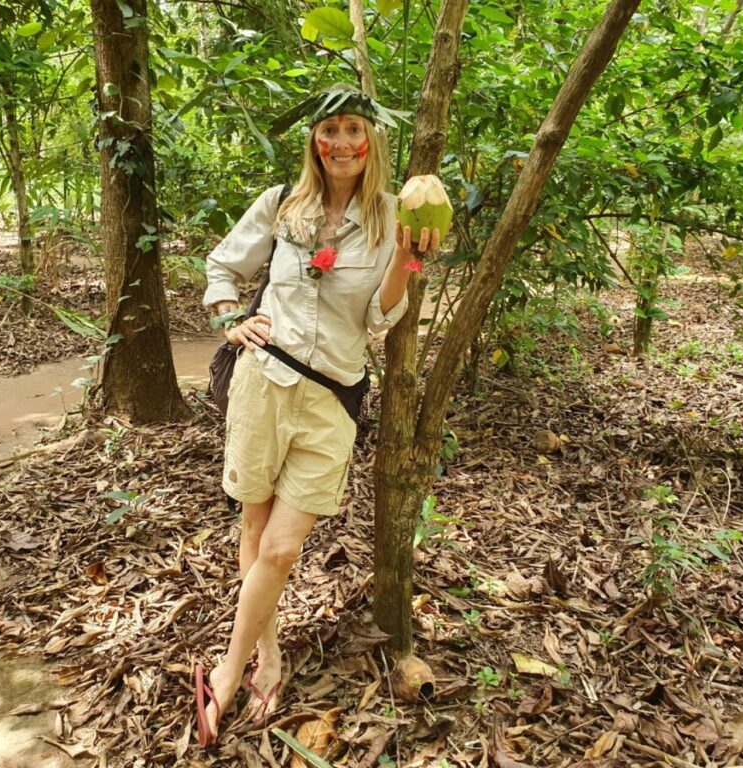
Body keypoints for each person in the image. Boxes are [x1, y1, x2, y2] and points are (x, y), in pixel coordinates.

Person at [195, 85, 440, 747]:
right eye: (329, 130)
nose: (341, 143)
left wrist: (410, 259)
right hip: (264, 382)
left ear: (372, 139)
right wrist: (229, 318)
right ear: (314, 139)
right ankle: (267, 656)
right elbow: (222, 264)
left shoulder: (392, 215)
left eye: (353, 129)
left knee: (281, 547)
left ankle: (227, 669)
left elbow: (379, 317)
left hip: (332, 397)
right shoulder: (283, 203)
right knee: (253, 527)